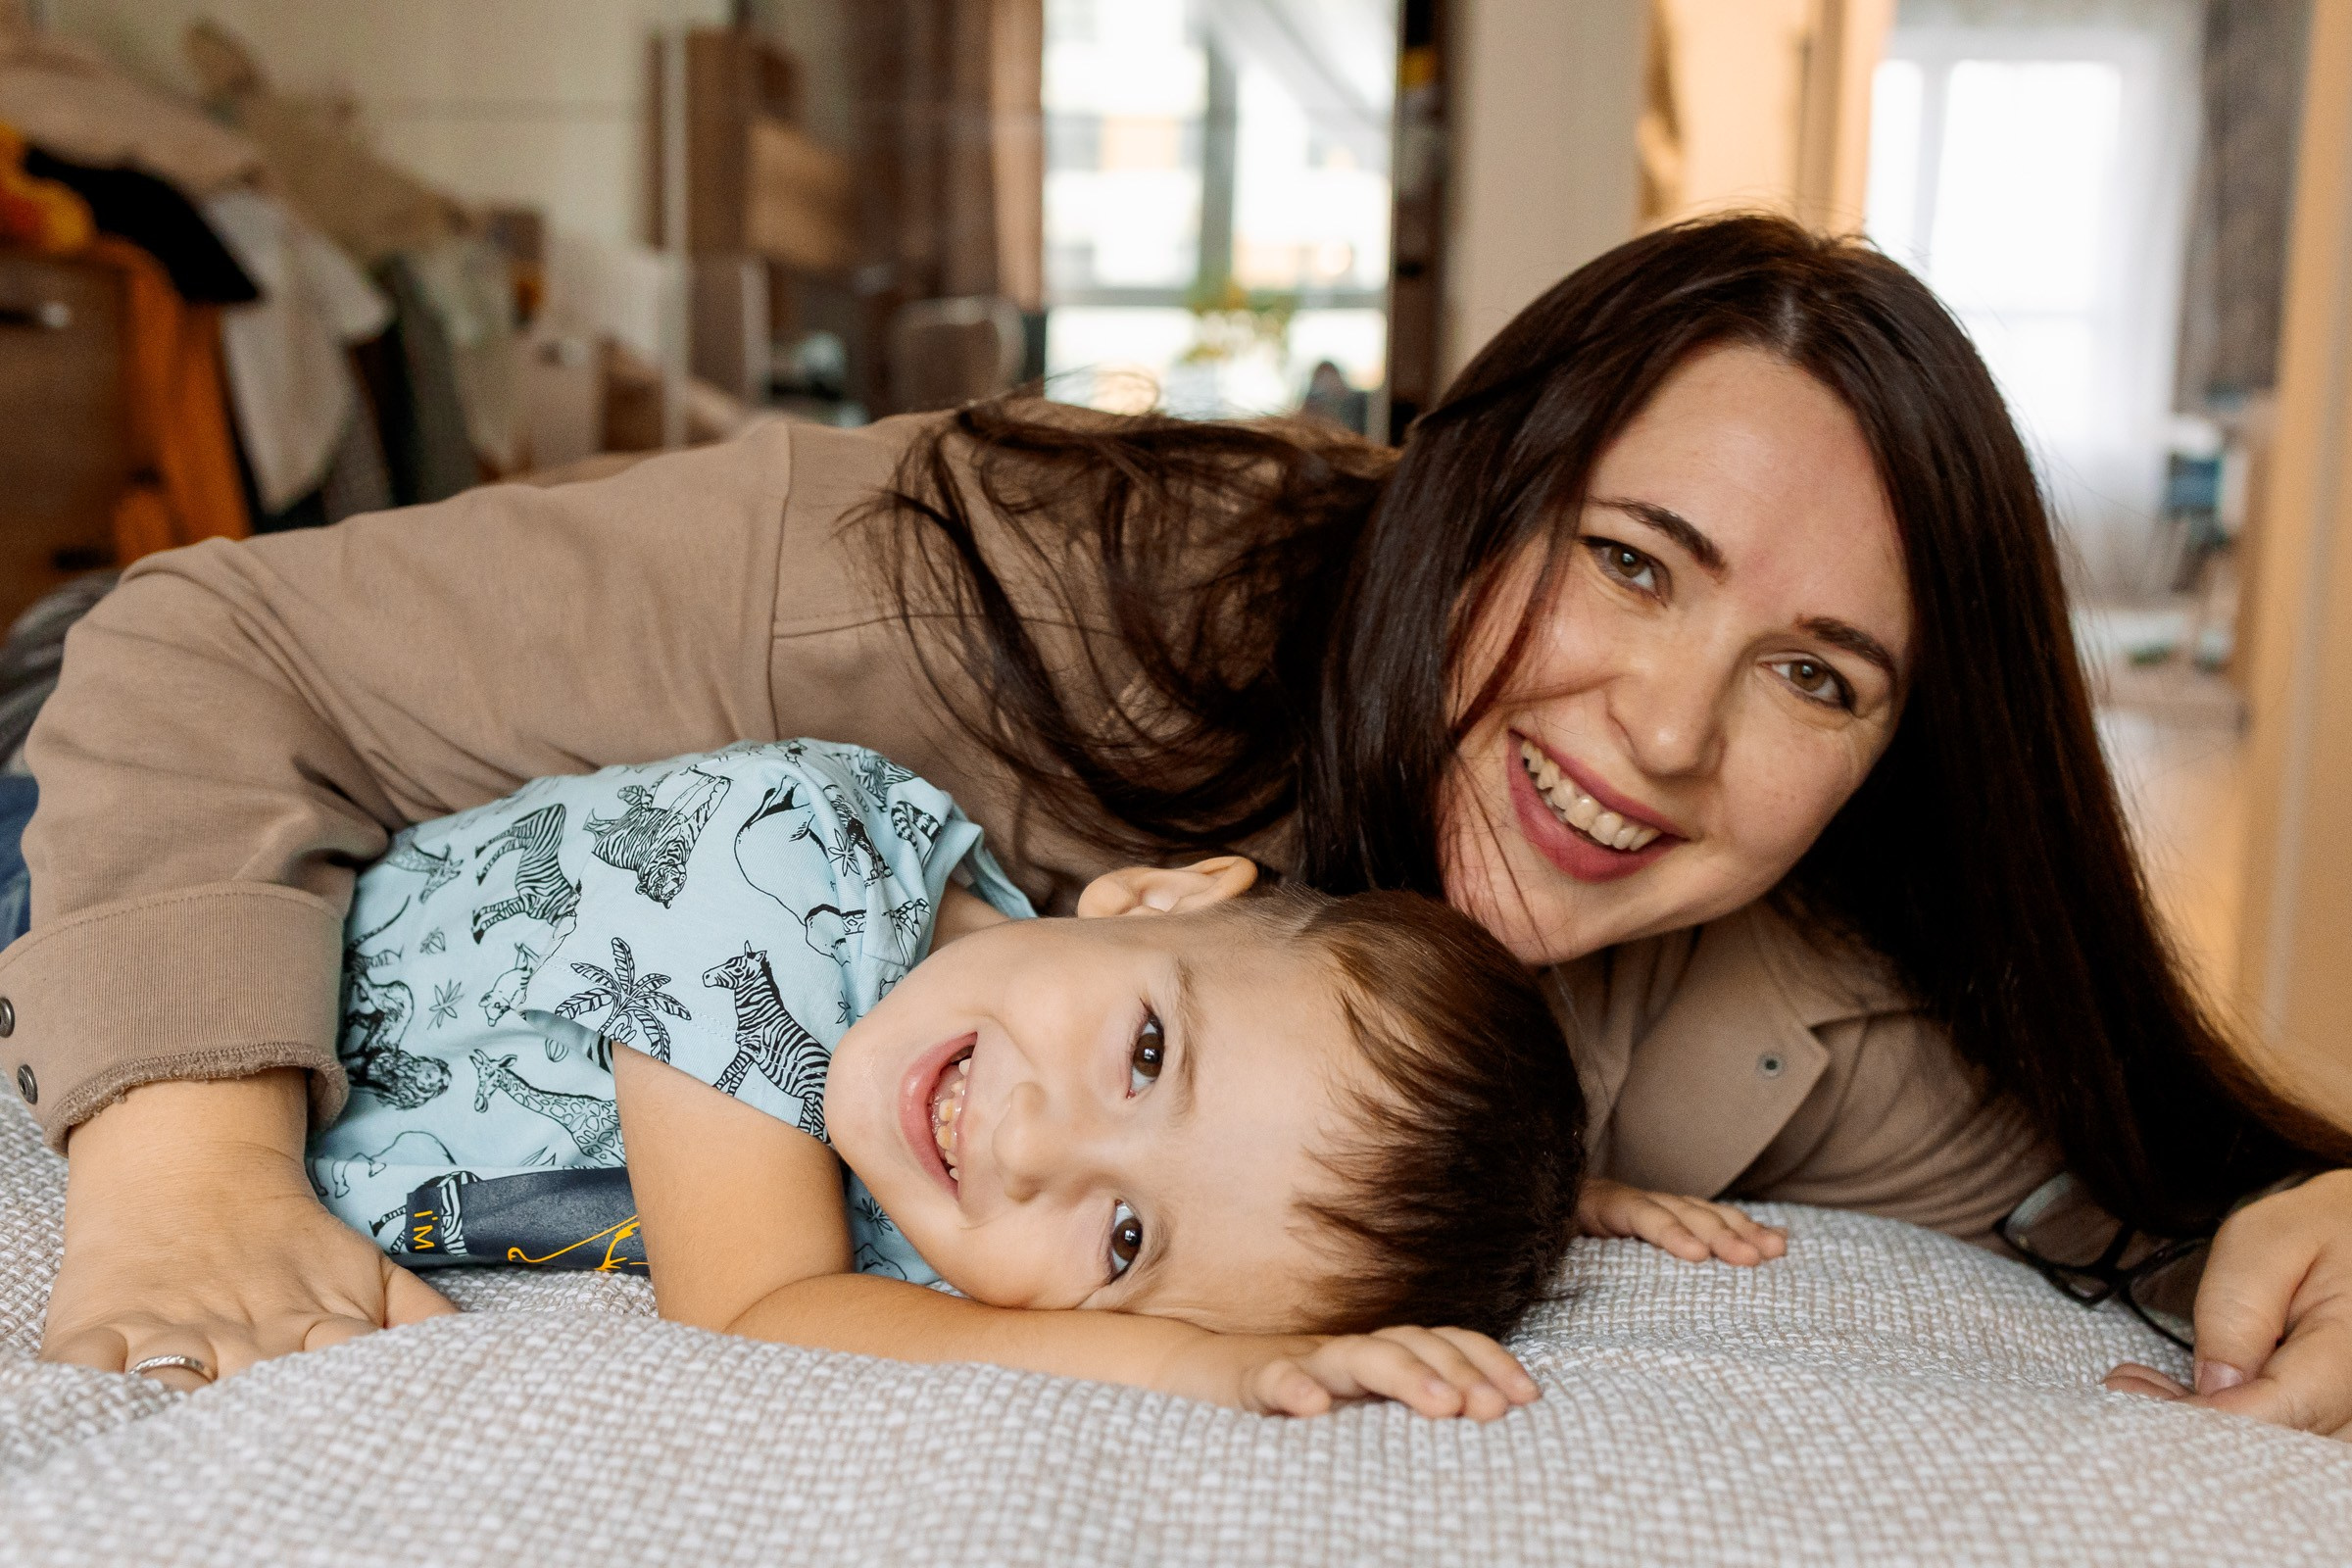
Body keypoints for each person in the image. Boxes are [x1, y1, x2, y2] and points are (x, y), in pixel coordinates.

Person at [15, 215, 2350, 1433]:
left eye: (1817, 677)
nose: (1662, 734)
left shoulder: (1779, 998)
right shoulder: (995, 593)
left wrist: (2295, 1223)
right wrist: (190, 1165)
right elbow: (212, 641)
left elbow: (2140, 1175)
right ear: (1477, 487)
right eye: (1633, 561)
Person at [304, 735, 1610, 1418]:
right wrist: (1179, 1365)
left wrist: (1548, 1202)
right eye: (1147, 1053)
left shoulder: (966, 1216)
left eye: (1128, 1237)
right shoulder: (773, 860)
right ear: (1158, 894)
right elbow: (749, 1307)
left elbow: (1265, 1189)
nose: (1032, 1150)